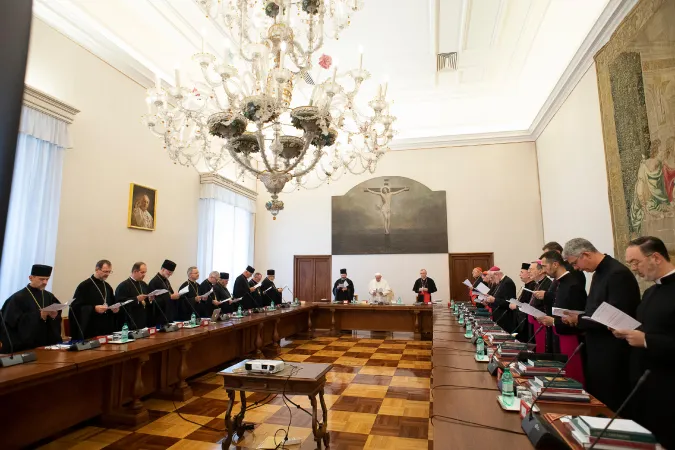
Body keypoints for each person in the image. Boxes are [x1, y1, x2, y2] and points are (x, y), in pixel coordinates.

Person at [560, 238, 640, 412]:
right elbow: (597, 309)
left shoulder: (616, 274)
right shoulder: (599, 272)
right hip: (597, 347)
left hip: (612, 352)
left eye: (575, 263)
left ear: (585, 254)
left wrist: (579, 320)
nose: (576, 268)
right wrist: (581, 315)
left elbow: (617, 317)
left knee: (611, 402)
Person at [613, 236, 675, 449]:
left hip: (668, 387)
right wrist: (627, 332)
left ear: (656, 258)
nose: (633, 268)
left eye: (635, 262)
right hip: (642, 382)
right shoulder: (649, 292)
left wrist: (647, 340)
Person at [536, 251, 587, 385]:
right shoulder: (560, 283)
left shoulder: (573, 284)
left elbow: (579, 317)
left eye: (545, 266)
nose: (544, 271)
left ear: (555, 264)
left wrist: (553, 321)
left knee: (571, 377)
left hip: (571, 338)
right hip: (558, 333)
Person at [0, 264, 62, 352]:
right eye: (41, 279)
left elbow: (56, 317)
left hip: (45, 344)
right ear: (31, 278)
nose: (45, 282)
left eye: (47, 279)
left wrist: (54, 315)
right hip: (24, 347)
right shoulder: (17, 298)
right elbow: (10, 324)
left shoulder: (49, 296)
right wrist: (39, 315)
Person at [69, 260, 120, 339]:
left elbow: (112, 303)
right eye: (105, 271)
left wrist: (115, 309)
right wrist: (93, 308)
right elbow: (75, 307)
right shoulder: (84, 286)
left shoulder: (107, 286)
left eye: (109, 272)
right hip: (90, 328)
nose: (107, 274)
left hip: (106, 327)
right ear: (97, 269)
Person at [115, 262, 153, 330]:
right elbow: (120, 304)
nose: (144, 275)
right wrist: (136, 299)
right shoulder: (123, 286)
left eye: (145, 272)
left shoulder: (143, 284)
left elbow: (146, 301)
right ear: (135, 271)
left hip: (143, 320)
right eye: (142, 272)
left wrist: (150, 299)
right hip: (130, 322)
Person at [526, 260, 553, 352]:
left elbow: (548, 305)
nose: (528, 271)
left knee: (541, 348)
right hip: (534, 320)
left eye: (531, 269)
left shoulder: (548, 284)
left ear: (541, 271)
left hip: (542, 322)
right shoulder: (537, 283)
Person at [148, 259, 181, 324]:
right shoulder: (154, 282)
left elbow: (170, 293)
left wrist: (176, 295)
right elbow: (154, 300)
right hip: (159, 315)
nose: (170, 274)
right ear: (163, 269)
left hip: (168, 313)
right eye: (169, 272)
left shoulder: (166, 280)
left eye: (172, 272)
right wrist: (170, 297)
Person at [484, 266, 516, 332]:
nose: (491, 280)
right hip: (498, 315)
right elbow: (498, 296)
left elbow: (509, 303)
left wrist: (494, 300)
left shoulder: (507, 282)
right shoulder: (500, 281)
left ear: (496, 275)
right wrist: (489, 298)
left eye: (492, 278)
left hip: (505, 317)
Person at [511, 263, 535, 342]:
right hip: (521, 320)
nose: (519, 274)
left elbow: (529, 305)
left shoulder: (533, 286)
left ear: (528, 274)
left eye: (521, 272)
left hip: (527, 323)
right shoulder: (527, 285)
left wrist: (516, 306)